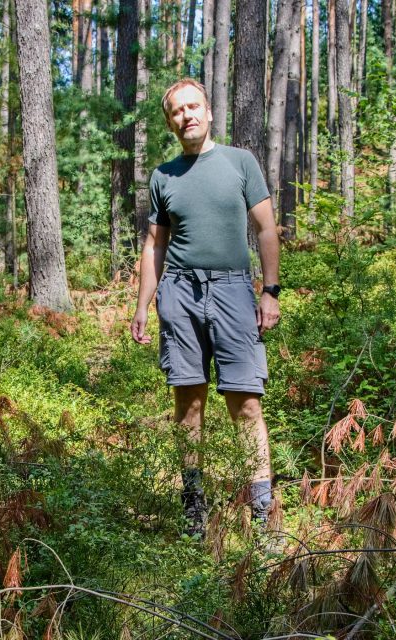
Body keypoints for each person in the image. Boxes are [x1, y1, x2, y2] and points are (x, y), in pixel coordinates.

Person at [129, 78, 281, 539]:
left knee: (246, 405)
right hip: (179, 293)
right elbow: (155, 245)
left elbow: (267, 231)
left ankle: (264, 516)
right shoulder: (163, 176)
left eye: (193, 107)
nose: (186, 116)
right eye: (177, 111)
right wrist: (143, 304)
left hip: (234, 292)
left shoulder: (239, 162)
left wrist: (270, 290)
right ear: (170, 121)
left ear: (209, 112)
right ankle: (195, 512)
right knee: (188, 405)